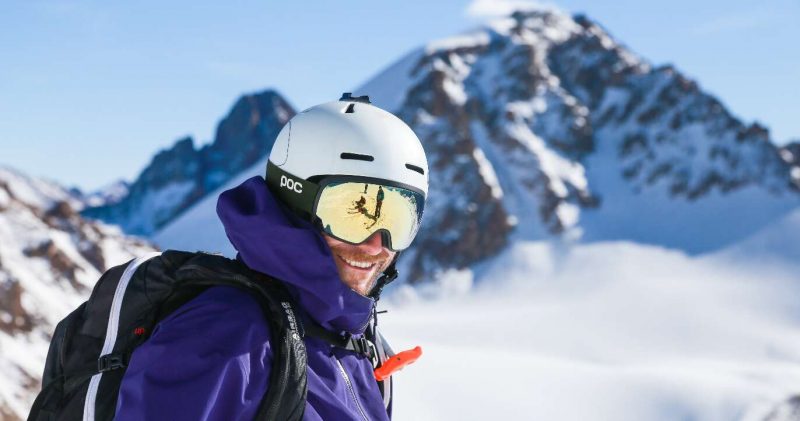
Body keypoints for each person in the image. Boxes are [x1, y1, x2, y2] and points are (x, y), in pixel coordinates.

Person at [113, 93, 429, 420]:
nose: (377, 245)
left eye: (397, 219)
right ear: (296, 202)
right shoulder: (222, 337)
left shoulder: (352, 343)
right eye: (354, 211)